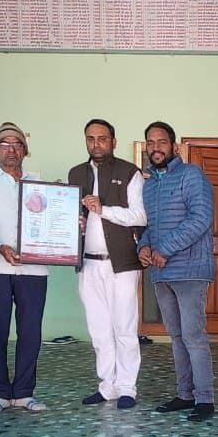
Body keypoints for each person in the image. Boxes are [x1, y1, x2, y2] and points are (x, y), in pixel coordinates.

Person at [137, 121, 216, 421]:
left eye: (161, 142)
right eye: (150, 142)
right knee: (176, 336)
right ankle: (185, 395)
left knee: (193, 336)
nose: (155, 148)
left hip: (190, 271)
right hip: (161, 273)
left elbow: (201, 218)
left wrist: (164, 249)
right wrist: (144, 247)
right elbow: (150, 227)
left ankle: (205, 400)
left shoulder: (191, 175)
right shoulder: (149, 185)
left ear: (174, 147)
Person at [68, 119, 146, 410]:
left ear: (113, 141)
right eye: (90, 139)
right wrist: (75, 223)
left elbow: (140, 216)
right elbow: (70, 214)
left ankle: (127, 388)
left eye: (102, 138)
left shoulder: (129, 172)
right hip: (88, 265)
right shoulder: (76, 173)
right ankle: (107, 386)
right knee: (99, 330)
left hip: (122, 264)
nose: (96, 144)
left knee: (124, 328)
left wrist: (104, 210)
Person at [0, 123, 50, 416]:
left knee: (31, 331)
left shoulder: (39, 182)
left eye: (17, 144)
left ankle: (23, 393)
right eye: (5, 144)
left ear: (25, 150)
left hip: (34, 269)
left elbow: (49, 221)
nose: (11, 150)